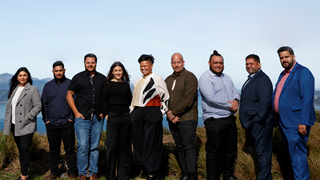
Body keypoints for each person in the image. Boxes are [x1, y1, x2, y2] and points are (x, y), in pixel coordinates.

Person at [273, 46, 316, 180]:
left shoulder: (303, 72)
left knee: (298, 158)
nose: (284, 60)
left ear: (293, 57)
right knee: (293, 156)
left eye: (286, 56)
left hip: (296, 123)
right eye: (281, 57)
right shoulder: (283, 74)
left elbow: (307, 99)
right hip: (284, 122)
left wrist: (303, 121)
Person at [199, 50, 239, 180]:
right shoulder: (205, 78)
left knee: (230, 150)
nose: (218, 65)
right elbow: (211, 98)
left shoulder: (227, 78)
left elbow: (235, 92)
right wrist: (230, 105)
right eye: (215, 63)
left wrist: (236, 101)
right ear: (209, 63)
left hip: (229, 119)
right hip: (214, 120)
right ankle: (212, 177)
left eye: (221, 63)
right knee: (213, 152)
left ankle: (228, 176)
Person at [66, 53, 106, 180]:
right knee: (83, 146)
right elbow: (69, 95)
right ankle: (82, 173)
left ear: (96, 63)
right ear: (84, 63)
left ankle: (93, 172)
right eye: (88, 62)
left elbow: (106, 96)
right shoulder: (77, 78)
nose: (90, 64)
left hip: (97, 119)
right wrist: (76, 113)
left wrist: (104, 111)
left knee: (94, 147)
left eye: (92, 62)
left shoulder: (102, 78)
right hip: (82, 118)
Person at [130, 54, 169, 180]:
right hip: (137, 112)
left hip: (152, 111)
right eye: (141, 66)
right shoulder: (137, 80)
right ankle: (146, 166)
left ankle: (151, 173)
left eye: (145, 65)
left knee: (151, 143)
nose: (143, 68)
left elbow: (166, 97)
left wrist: (160, 113)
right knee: (138, 142)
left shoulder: (157, 78)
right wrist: (131, 113)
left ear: (151, 66)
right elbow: (134, 99)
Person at [3, 67, 42, 180]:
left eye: (25, 75)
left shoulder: (33, 89)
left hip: (26, 125)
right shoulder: (15, 89)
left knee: (25, 149)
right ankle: (23, 172)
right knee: (21, 150)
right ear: (17, 77)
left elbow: (38, 106)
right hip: (15, 125)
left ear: (28, 76)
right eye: (20, 75)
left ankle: (24, 175)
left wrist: (28, 117)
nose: (22, 77)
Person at [239, 54, 273, 180]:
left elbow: (264, 102)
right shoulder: (253, 78)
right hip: (256, 123)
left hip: (261, 124)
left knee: (263, 154)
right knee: (261, 154)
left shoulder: (262, 79)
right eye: (247, 64)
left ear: (259, 64)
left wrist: (257, 120)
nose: (249, 66)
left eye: (251, 63)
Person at [41, 61, 77, 180]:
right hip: (52, 123)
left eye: (60, 70)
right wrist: (46, 120)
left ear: (64, 70)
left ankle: (71, 172)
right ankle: (54, 172)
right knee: (54, 149)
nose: (58, 73)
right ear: (53, 71)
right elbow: (44, 104)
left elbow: (75, 101)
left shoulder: (71, 84)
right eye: (56, 71)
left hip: (67, 122)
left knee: (70, 149)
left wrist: (71, 118)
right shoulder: (47, 86)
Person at [165, 53, 198, 180]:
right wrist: (169, 113)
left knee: (188, 147)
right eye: (174, 62)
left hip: (188, 118)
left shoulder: (190, 77)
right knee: (179, 147)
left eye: (178, 62)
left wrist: (174, 113)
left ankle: (192, 175)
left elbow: (188, 100)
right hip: (172, 119)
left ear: (183, 62)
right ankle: (185, 174)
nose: (176, 64)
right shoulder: (168, 79)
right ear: (171, 63)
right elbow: (165, 99)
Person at [102, 61, 132, 180]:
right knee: (111, 146)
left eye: (120, 70)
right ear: (112, 72)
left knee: (124, 147)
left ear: (123, 71)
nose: (118, 72)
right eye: (116, 70)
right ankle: (110, 176)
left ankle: (123, 175)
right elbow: (104, 101)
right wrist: (107, 114)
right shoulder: (107, 84)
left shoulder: (125, 84)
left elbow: (129, 100)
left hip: (125, 116)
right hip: (113, 117)